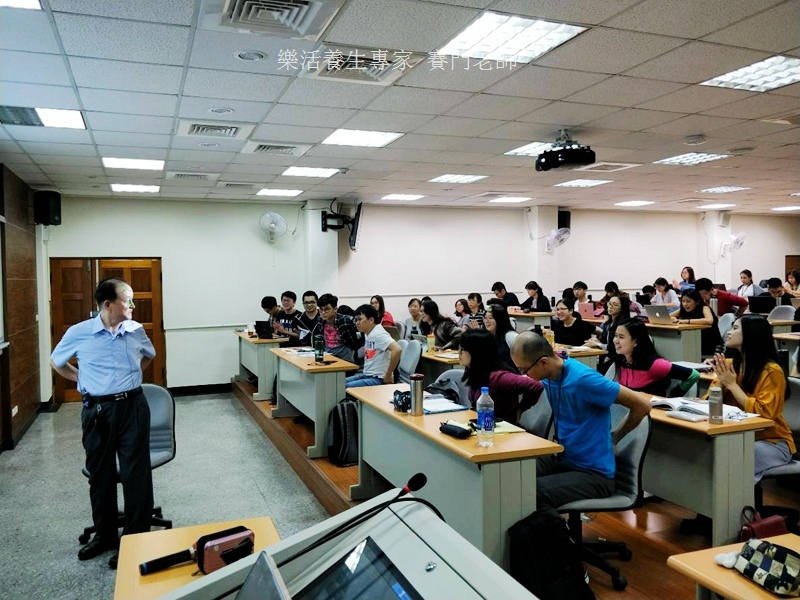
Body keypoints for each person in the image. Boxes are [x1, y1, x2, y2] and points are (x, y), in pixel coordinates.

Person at [50, 278, 156, 569]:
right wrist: (82, 381)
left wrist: (131, 379)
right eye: (127, 300)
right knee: (100, 474)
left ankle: (136, 539)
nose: (133, 305)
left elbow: (148, 356)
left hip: (133, 406)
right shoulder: (79, 333)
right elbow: (57, 362)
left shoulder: (136, 331)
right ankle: (106, 535)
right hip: (97, 410)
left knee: (136, 473)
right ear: (108, 304)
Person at [510, 332, 651, 515]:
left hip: (594, 474)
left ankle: (558, 540)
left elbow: (642, 405)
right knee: (511, 475)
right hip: (563, 458)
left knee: (530, 494)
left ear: (543, 362)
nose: (524, 375)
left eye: (524, 370)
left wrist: (616, 436)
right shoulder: (549, 376)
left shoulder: (584, 380)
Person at [708, 315, 794, 482]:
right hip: (738, 435)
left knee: (729, 458)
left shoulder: (771, 371)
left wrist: (732, 385)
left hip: (772, 442)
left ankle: (738, 506)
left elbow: (766, 413)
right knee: (711, 453)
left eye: (735, 328)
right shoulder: (732, 365)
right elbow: (710, 401)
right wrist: (721, 383)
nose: (729, 333)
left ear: (751, 334)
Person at [459, 329, 542, 425]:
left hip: (502, 431)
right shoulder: (476, 373)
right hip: (483, 425)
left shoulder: (499, 377)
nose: (459, 353)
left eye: (463, 349)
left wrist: (520, 409)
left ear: (476, 351)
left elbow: (536, 386)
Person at [612, 319, 699, 397]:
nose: (616, 340)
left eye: (621, 337)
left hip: (652, 411)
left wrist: (672, 397)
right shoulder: (621, 360)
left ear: (636, 341)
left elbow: (693, 375)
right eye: (615, 336)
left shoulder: (655, 364)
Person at [345, 304, 402, 388]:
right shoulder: (368, 332)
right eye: (356, 320)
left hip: (378, 379)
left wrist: (389, 373)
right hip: (367, 375)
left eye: (360, 319)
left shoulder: (378, 333)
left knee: (342, 387)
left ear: (371, 320)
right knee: (338, 383)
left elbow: (397, 349)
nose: (357, 323)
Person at [672, 289, 723, 356]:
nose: (685, 304)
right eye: (683, 301)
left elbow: (709, 320)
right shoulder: (683, 310)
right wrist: (673, 318)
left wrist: (686, 321)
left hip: (711, 344)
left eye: (688, 301)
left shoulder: (704, 308)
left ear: (697, 302)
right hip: (696, 342)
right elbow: (667, 316)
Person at [586, 294, 630, 371]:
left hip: (618, 360)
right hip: (605, 358)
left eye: (615, 304)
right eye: (609, 303)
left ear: (622, 308)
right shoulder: (606, 324)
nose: (610, 306)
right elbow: (604, 342)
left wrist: (599, 344)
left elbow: (617, 347)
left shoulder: (624, 325)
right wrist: (596, 342)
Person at [317, 293, 360, 362]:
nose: (323, 312)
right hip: (328, 358)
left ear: (335, 309)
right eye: (321, 310)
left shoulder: (345, 320)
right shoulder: (320, 320)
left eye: (326, 309)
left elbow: (362, 330)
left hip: (346, 360)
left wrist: (355, 349)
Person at [484, 303, 519, 371]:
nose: (487, 321)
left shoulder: (510, 336)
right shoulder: (489, 337)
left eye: (491, 318)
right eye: (485, 318)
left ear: (499, 319)